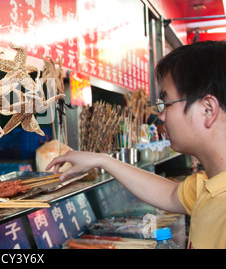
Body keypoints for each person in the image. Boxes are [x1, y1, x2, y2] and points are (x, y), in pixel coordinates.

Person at [47, 40, 226, 249]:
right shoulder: (208, 186)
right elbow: (169, 194)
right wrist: (102, 159)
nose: (161, 116)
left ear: (207, 109)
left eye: (166, 104)